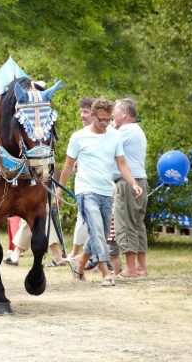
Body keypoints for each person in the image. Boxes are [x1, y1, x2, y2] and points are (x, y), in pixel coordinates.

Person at [57, 98, 143, 287]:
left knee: (100, 234)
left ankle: (80, 264)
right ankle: (106, 273)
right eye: (101, 119)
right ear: (93, 115)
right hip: (85, 190)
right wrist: (60, 192)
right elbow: (68, 166)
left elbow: (121, 163)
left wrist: (133, 183)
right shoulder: (78, 137)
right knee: (95, 228)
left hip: (106, 191)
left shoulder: (114, 136)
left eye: (107, 120)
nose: (104, 123)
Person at [112, 98, 149, 277]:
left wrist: (110, 126)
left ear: (124, 114)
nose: (112, 114)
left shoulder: (124, 130)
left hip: (127, 183)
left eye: (115, 111)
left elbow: (106, 143)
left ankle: (130, 268)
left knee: (125, 224)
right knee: (137, 224)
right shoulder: (137, 130)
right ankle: (141, 267)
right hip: (141, 180)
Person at [68, 97, 94, 259]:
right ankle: (78, 252)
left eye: (85, 112)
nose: (82, 115)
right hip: (83, 184)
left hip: (98, 185)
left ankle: (80, 253)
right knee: (83, 218)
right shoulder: (80, 135)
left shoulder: (103, 133)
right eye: (81, 112)